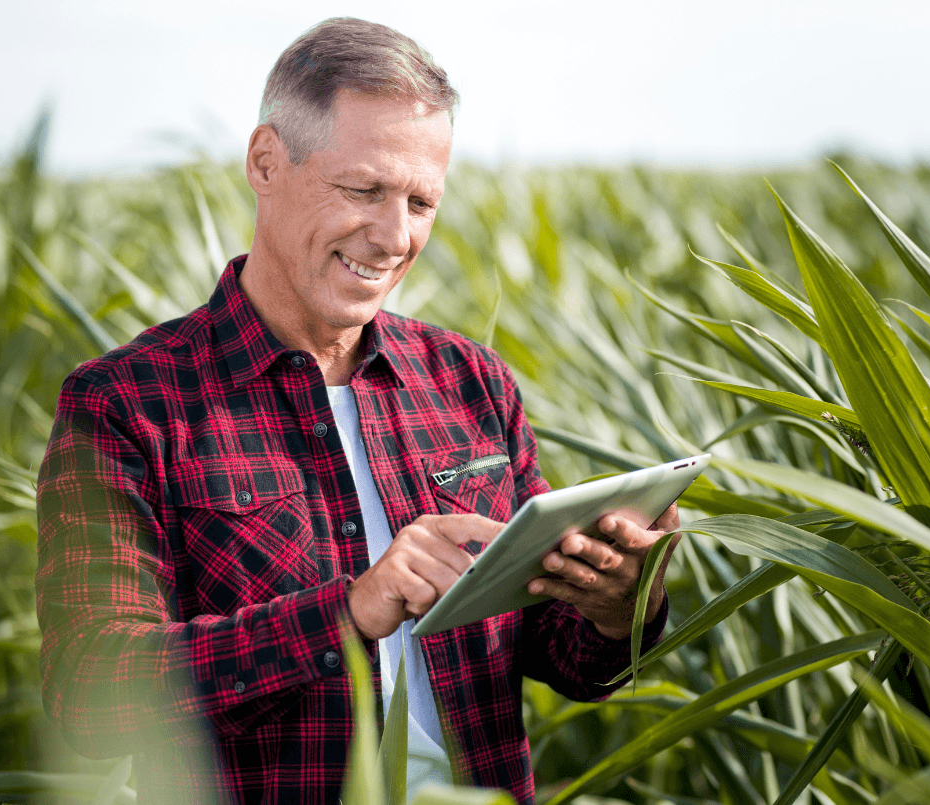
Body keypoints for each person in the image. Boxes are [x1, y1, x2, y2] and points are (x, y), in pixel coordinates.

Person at [35, 17, 678, 805]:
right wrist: (348, 611)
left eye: (420, 200)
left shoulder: (471, 383)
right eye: (364, 189)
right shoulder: (129, 405)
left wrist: (620, 609)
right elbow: (90, 691)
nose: (394, 236)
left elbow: (563, 659)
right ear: (266, 161)